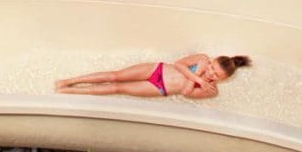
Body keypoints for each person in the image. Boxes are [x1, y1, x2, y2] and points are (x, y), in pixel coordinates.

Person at [55, 54, 251, 99]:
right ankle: (69, 81)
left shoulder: (211, 90)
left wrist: (198, 77)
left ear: (223, 79)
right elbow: (179, 64)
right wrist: (198, 74)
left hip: (160, 88)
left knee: (117, 88)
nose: (211, 73)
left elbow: (185, 93)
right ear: (213, 60)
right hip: (158, 70)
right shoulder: (201, 58)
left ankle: (70, 92)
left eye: (215, 75)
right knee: (116, 76)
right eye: (212, 67)